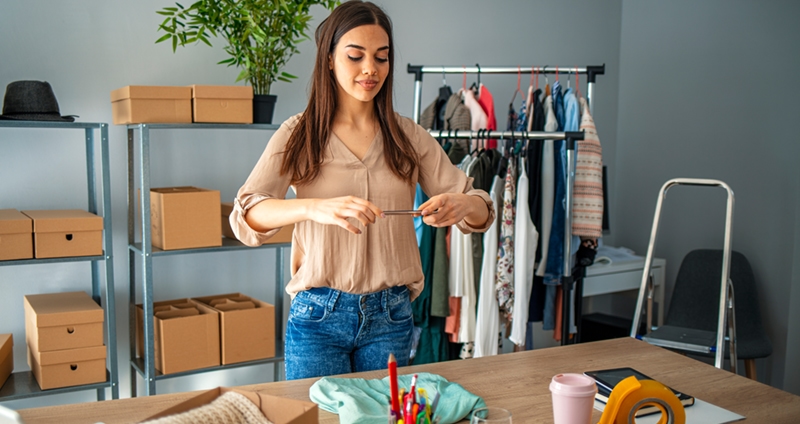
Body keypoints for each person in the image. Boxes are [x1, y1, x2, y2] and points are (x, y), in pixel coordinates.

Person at [230, 0, 494, 380]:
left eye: (381, 57)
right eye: (356, 56)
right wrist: (312, 208)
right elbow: (246, 215)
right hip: (318, 316)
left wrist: (463, 204)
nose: (371, 69)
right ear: (330, 59)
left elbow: (483, 210)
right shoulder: (297, 134)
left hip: (392, 316)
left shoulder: (409, 136)